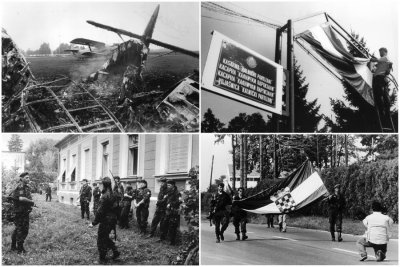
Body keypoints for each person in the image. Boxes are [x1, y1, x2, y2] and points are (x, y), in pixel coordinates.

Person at [89, 177, 120, 264]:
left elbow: (100, 211)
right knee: (105, 237)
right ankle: (116, 252)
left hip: (106, 220)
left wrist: (94, 223)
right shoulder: (114, 193)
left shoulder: (105, 196)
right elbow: (117, 207)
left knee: (101, 239)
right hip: (112, 219)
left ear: (104, 185)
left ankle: (102, 259)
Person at [9, 172, 35, 253]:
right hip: (20, 212)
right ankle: (20, 249)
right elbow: (21, 198)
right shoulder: (20, 186)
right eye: (26, 177)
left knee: (18, 229)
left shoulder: (25, 186)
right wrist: (32, 202)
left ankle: (13, 247)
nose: (28, 179)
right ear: (21, 178)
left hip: (23, 211)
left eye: (28, 177)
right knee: (23, 230)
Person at [370, 48, 393, 126]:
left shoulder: (385, 58)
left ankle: (383, 112)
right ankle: (386, 112)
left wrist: (371, 59)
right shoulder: (383, 62)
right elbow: (375, 68)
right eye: (379, 52)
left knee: (379, 95)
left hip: (380, 78)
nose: (380, 53)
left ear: (385, 52)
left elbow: (375, 60)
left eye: (381, 52)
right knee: (384, 96)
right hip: (381, 78)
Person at [159, 180, 181, 245]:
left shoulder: (177, 193)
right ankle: (162, 238)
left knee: (172, 227)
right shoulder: (168, 192)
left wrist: (171, 204)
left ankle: (172, 241)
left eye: (169, 185)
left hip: (174, 212)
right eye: (167, 185)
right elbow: (165, 200)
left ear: (173, 185)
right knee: (164, 224)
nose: (167, 186)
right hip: (167, 211)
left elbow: (179, 201)